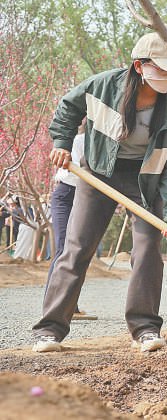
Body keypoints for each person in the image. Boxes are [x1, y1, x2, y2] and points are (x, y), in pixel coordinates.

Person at [33, 32, 167, 353]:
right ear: (139, 66)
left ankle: (145, 328)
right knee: (77, 246)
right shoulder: (104, 86)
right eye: (161, 69)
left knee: (149, 248)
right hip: (99, 172)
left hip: (145, 181)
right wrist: (62, 144)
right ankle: (49, 329)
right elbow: (67, 108)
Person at [45, 129, 95, 319]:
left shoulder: (95, 142)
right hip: (66, 194)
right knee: (63, 249)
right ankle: (51, 307)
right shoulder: (80, 140)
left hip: (83, 194)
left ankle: (70, 306)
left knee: (76, 250)